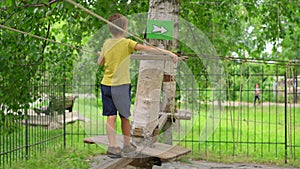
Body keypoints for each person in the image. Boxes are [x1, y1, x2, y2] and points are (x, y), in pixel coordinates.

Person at [97, 13, 178, 158]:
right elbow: (148, 49)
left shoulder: (106, 43)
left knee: (110, 116)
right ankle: (127, 146)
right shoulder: (127, 43)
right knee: (124, 117)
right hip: (120, 86)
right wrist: (169, 53)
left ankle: (112, 147)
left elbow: (100, 63)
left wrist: (101, 54)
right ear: (124, 28)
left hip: (106, 85)